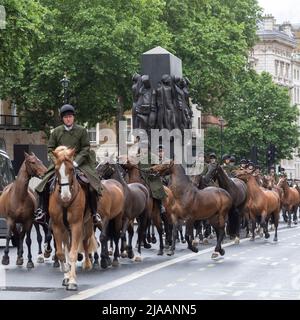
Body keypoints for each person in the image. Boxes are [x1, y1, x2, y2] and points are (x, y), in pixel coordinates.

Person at [34, 104, 102, 225]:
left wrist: (76, 162)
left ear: (73, 118)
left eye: (70, 116)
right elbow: (50, 149)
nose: (68, 119)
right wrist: (57, 162)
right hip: (60, 163)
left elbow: (86, 148)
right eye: (66, 117)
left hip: (79, 163)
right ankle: (43, 212)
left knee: (92, 186)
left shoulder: (81, 130)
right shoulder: (56, 132)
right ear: (62, 119)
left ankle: (94, 213)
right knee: (44, 184)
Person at [138, 144, 167, 217]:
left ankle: (161, 206)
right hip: (141, 176)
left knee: (156, 187)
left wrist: (150, 169)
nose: (143, 150)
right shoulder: (138, 157)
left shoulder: (153, 157)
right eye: (142, 148)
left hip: (152, 176)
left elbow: (158, 166)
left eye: (145, 148)